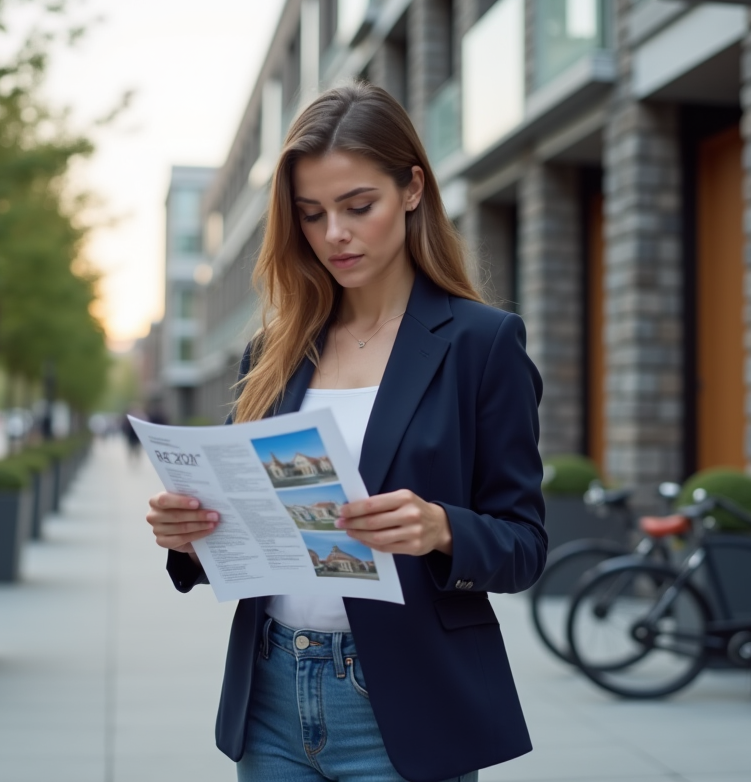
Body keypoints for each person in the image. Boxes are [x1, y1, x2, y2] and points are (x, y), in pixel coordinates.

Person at [145, 82, 546, 782]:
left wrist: (441, 527)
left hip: (406, 703)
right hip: (270, 692)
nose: (335, 233)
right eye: (312, 214)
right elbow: (251, 526)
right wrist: (192, 533)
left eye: (359, 206)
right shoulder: (272, 351)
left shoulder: (482, 344)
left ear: (413, 188)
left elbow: (525, 544)